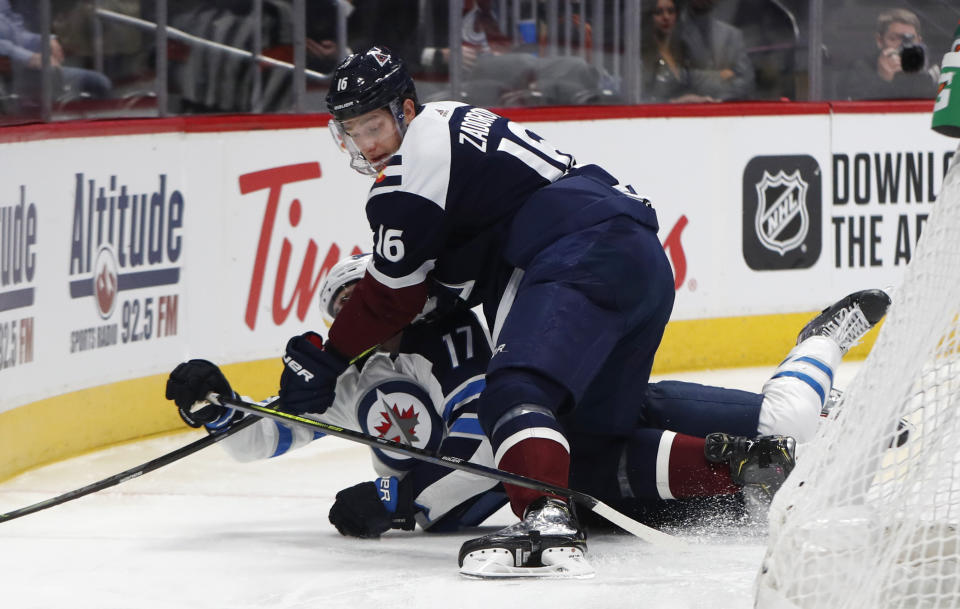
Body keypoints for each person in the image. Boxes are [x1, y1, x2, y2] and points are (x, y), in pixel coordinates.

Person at [261, 46, 883, 576]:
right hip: (634, 253)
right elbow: (421, 283)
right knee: (586, 441)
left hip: (579, 251)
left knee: (515, 393)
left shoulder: (415, 165)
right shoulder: (454, 132)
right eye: (353, 132)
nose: (366, 145)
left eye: (373, 126)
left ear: (405, 108)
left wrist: (329, 354)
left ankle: (547, 526)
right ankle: (791, 438)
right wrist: (328, 364)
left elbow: (391, 294)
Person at [166, 251, 890, 576]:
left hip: (614, 418)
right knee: (753, 501)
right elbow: (272, 432)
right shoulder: (351, 379)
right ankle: (808, 445)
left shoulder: (454, 344)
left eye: (367, 302)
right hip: (581, 490)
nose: (358, 319)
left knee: (786, 424)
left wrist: (395, 498)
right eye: (345, 310)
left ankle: (819, 346)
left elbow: (479, 450)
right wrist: (218, 409)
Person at [0, 0, 111, 106]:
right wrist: (30, 58)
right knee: (96, 82)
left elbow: (18, 34)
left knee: (98, 81)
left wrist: (46, 40)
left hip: (25, 70)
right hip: (12, 73)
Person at [835, 8, 938, 101]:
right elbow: (857, 109)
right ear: (880, 41)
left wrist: (924, 76)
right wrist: (883, 79)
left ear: (919, 42)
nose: (904, 46)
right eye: (894, 39)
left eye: (910, 40)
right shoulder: (861, 68)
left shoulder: (931, 68)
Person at [677, 0, 754, 101]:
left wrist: (720, 100)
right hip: (688, 111)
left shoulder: (732, 35)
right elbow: (678, 78)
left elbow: (746, 82)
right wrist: (719, 76)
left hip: (728, 109)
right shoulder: (674, 34)